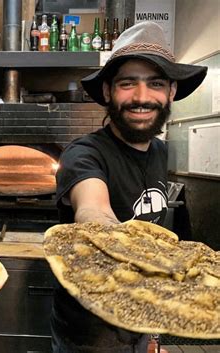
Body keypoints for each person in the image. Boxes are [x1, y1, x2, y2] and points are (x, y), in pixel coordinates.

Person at [51, 21, 207, 353]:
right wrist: (104, 229)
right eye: (127, 83)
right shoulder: (84, 153)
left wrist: (150, 334)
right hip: (89, 334)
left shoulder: (161, 152)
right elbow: (94, 211)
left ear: (171, 92)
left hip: (139, 323)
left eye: (155, 84)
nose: (141, 97)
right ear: (108, 91)